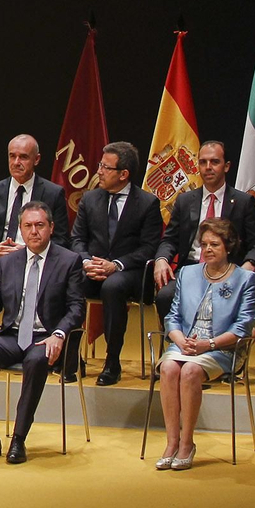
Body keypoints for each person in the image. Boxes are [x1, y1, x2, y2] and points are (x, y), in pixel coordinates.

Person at [0, 202, 84, 465]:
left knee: (36, 360)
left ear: (51, 228)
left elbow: (77, 308)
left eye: (40, 225)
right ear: (20, 229)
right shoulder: (8, 261)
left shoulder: (69, 261)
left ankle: (19, 438)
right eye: (28, 226)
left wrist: (60, 334)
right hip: (12, 334)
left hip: (45, 337)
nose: (34, 232)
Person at [154, 218, 255, 470]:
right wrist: (179, 340)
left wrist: (208, 344)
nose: (208, 249)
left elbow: (242, 327)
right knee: (169, 368)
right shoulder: (187, 273)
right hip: (185, 343)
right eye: (204, 244)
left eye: (215, 244)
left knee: (190, 371)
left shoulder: (245, 279)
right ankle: (171, 442)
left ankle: (187, 444)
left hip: (222, 348)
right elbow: (173, 316)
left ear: (228, 247)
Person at [70, 140, 163, 385]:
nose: (99, 171)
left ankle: (112, 361)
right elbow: (77, 239)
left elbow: (149, 247)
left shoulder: (147, 203)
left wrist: (116, 265)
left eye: (105, 167)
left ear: (124, 174)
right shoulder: (89, 199)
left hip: (130, 273)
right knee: (69, 281)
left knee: (113, 286)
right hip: (93, 269)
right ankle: (71, 356)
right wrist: (87, 261)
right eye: (100, 165)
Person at [153, 140, 255, 324]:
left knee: (223, 302)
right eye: (203, 162)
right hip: (190, 270)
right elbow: (169, 240)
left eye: (214, 162)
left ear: (226, 166)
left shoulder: (243, 202)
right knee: (165, 296)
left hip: (229, 271)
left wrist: (248, 265)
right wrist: (161, 259)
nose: (208, 167)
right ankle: (178, 347)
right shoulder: (184, 200)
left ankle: (217, 348)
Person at [0, 135, 69, 318]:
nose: (16, 162)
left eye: (23, 157)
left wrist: (30, 250)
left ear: (37, 159)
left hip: (38, 264)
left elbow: (62, 240)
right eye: (12, 156)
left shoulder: (53, 193)